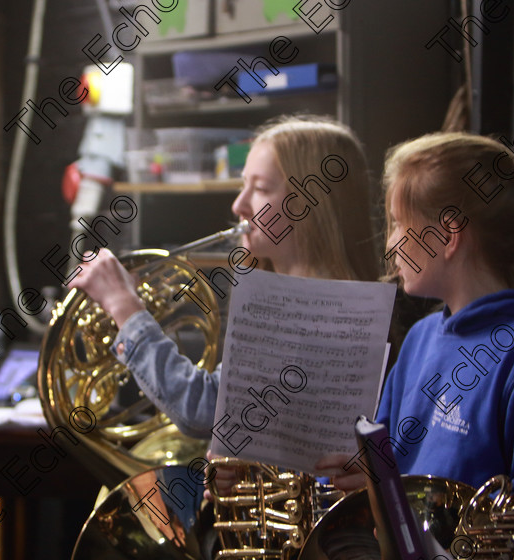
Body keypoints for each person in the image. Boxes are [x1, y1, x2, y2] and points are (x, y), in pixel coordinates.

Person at [68, 115, 380, 438]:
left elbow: (205, 411)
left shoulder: (324, 313)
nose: (238, 205)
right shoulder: (271, 298)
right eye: (242, 185)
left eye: (259, 188)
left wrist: (124, 307)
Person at [319, 131, 514, 492]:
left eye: (399, 222)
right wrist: (360, 479)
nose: (390, 244)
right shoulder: (421, 336)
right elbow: (387, 467)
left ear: (448, 236)